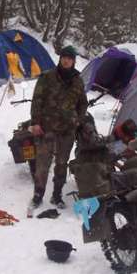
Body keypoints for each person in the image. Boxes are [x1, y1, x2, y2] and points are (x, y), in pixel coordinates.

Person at [29, 45, 88, 209]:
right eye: (64, 58)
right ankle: (38, 195)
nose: (66, 61)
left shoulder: (78, 80)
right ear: (60, 59)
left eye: (69, 58)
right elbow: (37, 101)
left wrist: (78, 120)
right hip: (46, 127)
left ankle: (57, 195)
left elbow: (83, 103)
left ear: (73, 61)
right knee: (42, 163)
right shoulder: (47, 77)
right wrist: (35, 122)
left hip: (67, 130)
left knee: (62, 164)